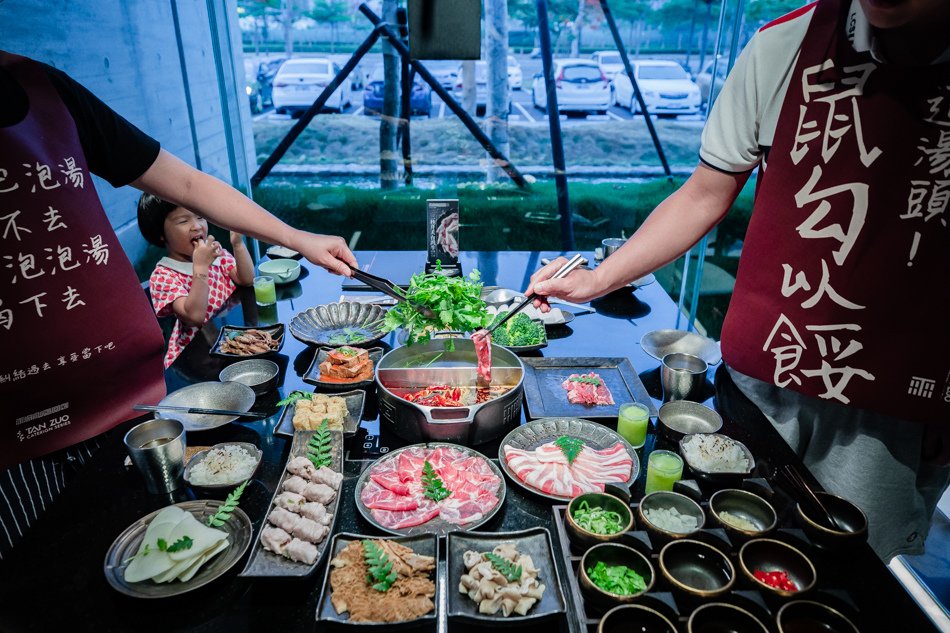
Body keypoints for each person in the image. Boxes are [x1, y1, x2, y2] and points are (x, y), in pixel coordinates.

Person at [529, 0, 950, 561]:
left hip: (893, 399)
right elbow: (706, 192)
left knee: (854, 564)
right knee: (732, 542)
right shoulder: (784, 46)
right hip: (766, 376)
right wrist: (597, 279)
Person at [0, 50, 357, 559]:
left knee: (135, 539)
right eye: (181, 222)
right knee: (31, 562)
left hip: (117, 393)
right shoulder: (172, 272)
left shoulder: (42, 89)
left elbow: (186, 181)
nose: (194, 226)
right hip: (15, 423)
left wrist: (298, 238)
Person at [137, 194, 255, 368]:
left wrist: (238, 244)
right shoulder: (163, 276)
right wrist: (200, 267)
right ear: (161, 234)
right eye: (183, 221)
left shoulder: (215, 253)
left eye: (199, 217)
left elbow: (246, 280)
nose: (197, 226)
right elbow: (195, 317)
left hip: (228, 339)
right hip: (196, 358)